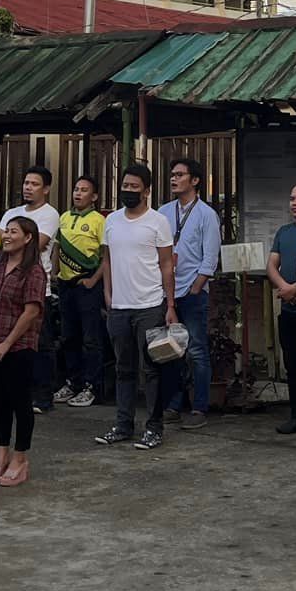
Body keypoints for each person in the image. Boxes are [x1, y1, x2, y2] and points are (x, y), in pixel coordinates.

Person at [95, 163, 177, 451]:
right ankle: (123, 424)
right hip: (119, 306)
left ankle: (154, 428)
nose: (128, 191)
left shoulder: (158, 222)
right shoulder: (112, 221)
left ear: (146, 190)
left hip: (150, 305)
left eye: (134, 187)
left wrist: (170, 304)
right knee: (123, 368)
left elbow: (167, 265)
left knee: (152, 369)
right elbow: (107, 260)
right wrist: (107, 293)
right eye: (125, 186)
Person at [0, 215, 49, 485]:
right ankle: (1, 457)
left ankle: (20, 458)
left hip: (19, 347)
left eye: (14, 232)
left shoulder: (34, 271)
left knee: (20, 402)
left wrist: (7, 343)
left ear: (28, 238)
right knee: (0, 403)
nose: (7, 236)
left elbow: (31, 311)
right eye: (6, 231)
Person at [159, 157, 222, 430]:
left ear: (195, 180)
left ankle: (199, 407)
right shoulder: (163, 212)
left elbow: (210, 258)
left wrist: (196, 288)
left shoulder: (206, 214)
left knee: (196, 350)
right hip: (166, 291)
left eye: (180, 175)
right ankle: (172, 405)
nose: (174, 179)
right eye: (172, 175)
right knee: (170, 351)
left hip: (192, 291)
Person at [0, 168, 60, 414]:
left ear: (45, 189)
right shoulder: (11, 213)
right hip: (8, 285)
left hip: (37, 286)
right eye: (26, 182)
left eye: (34, 183)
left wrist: (11, 238)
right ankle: (13, 393)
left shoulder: (50, 214)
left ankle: (43, 395)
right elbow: (1, 243)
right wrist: (12, 240)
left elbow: (38, 244)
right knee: (11, 343)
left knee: (41, 344)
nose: (28, 187)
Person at [51, 175, 108, 409]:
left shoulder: (99, 221)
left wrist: (94, 280)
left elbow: (106, 256)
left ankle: (91, 386)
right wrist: (54, 273)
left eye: (84, 190)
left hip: (87, 286)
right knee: (68, 337)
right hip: (65, 286)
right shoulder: (64, 217)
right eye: (76, 189)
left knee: (90, 339)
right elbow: (56, 248)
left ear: (94, 196)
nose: (78, 193)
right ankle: (72, 382)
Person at [265, 181, 296, 436]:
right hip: (289, 313)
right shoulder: (284, 232)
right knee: (293, 367)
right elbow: (272, 265)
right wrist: (285, 287)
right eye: (292, 198)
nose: (295, 203)